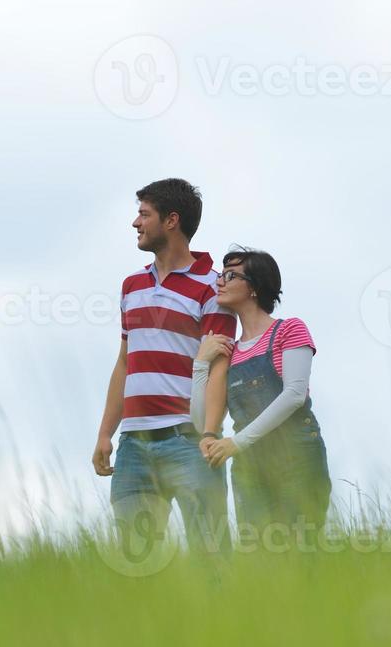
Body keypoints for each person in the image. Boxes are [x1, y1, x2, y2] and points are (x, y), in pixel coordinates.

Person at [93, 179, 236, 556]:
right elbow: (125, 362)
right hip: (134, 446)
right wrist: (106, 433)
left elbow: (219, 367)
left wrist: (208, 432)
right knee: (135, 559)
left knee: (211, 558)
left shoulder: (213, 288)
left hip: (188, 441)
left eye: (144, 214)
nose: (135, 223)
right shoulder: (131, 286)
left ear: (171, 221)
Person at [190, 247, 331, 543]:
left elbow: (294, 395)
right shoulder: (228, 352)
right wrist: (201, 364)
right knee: (258, 558)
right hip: (250, 466)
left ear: (253, 286)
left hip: (297, 457)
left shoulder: (289, 330)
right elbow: (203, 423)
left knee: (304, 550)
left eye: (230, 274)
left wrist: (236, 442)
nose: (220, 281)